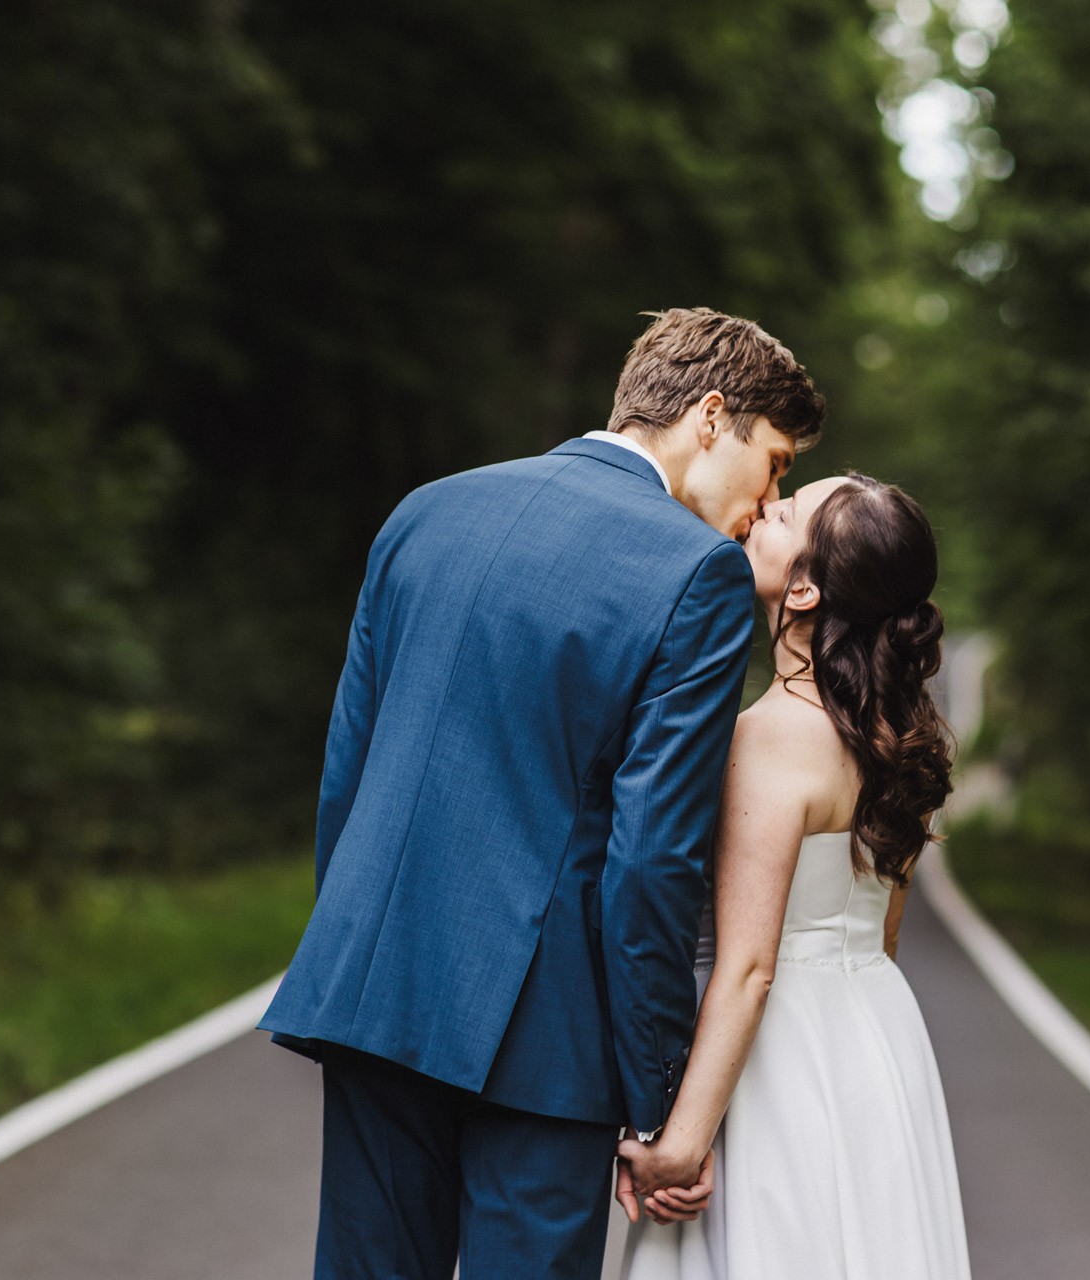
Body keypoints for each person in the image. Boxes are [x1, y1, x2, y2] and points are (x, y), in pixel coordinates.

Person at [259, 307, 824, 1279]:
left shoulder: (425, 511)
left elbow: (348, 778)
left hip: (376, 989)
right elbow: (653, 859)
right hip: (546, 1041)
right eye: (773, 461)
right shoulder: (697, 575)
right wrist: (657, 1096)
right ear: (711, 414)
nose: (765, 501)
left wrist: (362, 952)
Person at [618, 472, 969, 1280]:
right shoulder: (898, 737)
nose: (760, 509)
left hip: (778, 1061)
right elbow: (883, 935)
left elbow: (748, 966)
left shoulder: (771, 736)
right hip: (877, 1041)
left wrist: (683, 1142)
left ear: (804, 589)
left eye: (782, 514)